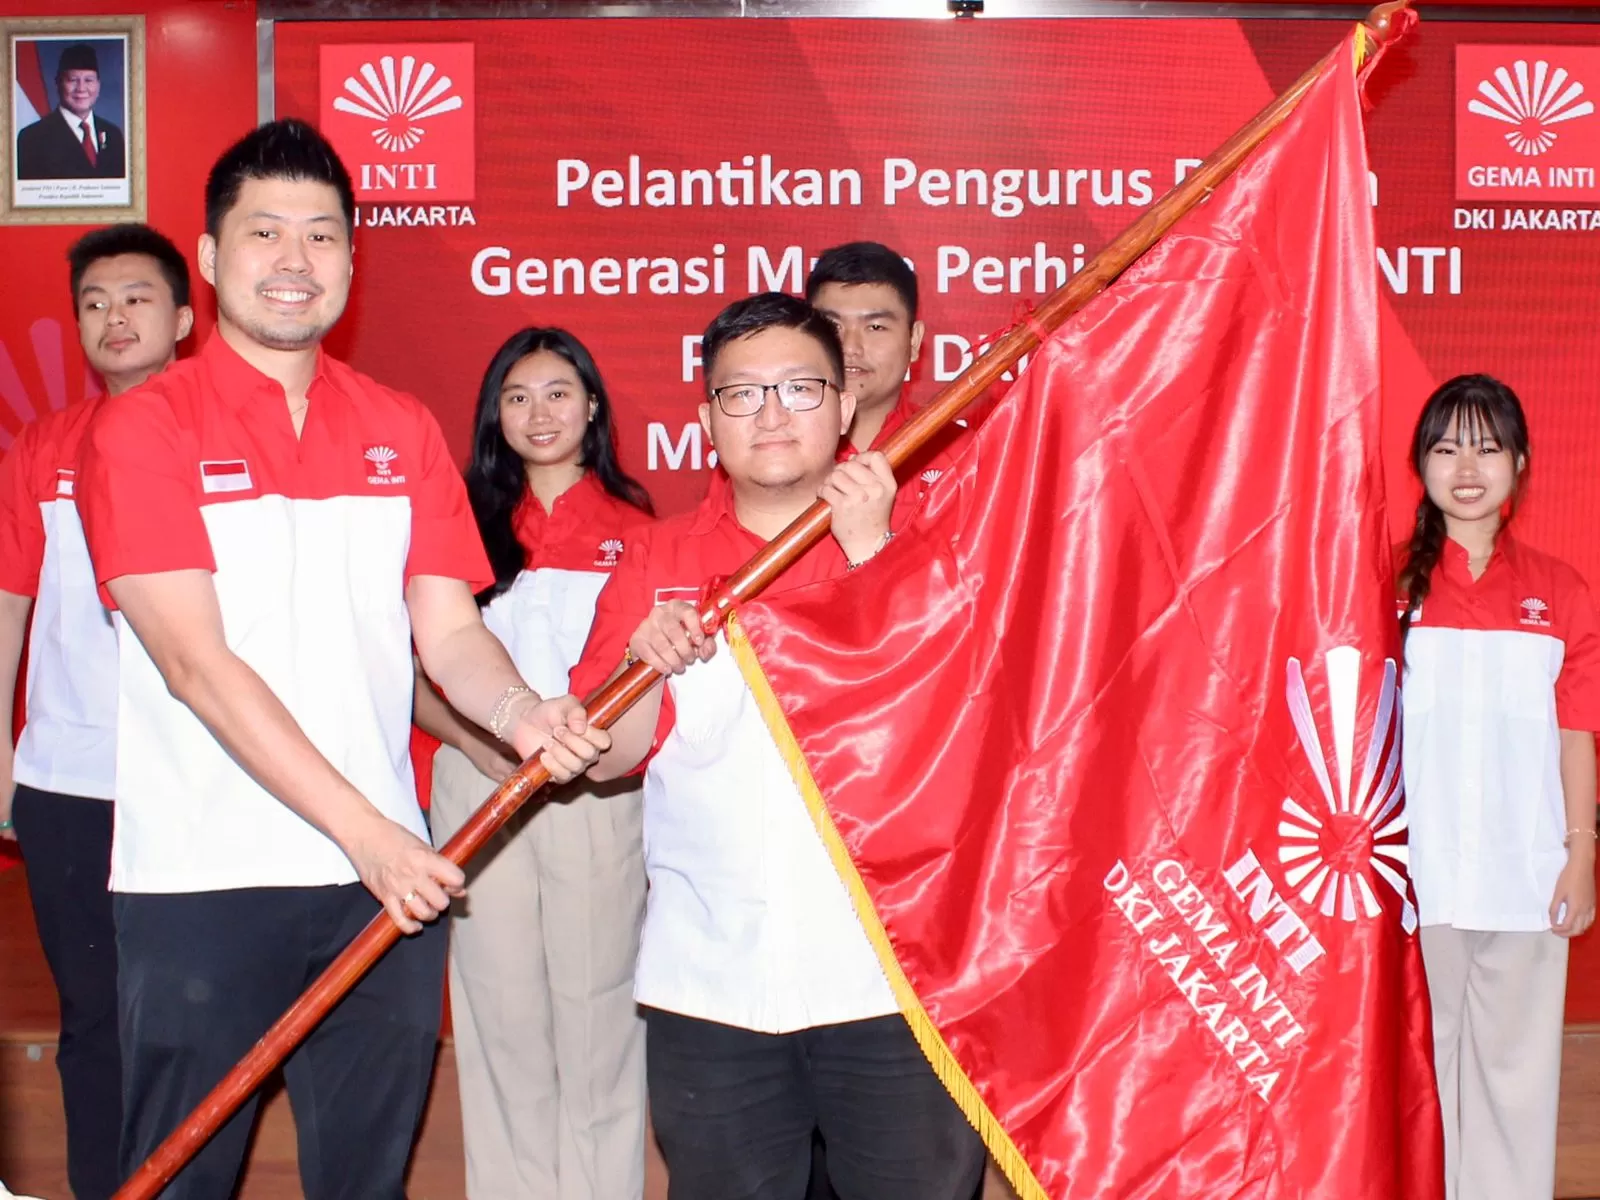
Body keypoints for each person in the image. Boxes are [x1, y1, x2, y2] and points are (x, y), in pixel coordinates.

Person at [74, 118, 609, 1199]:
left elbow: (448, 629)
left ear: (351, 266)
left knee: (366, 1181)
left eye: (322, 236)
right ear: (214, 259)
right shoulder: (145, 430)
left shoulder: (400, 427)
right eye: (264, 232)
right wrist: (367, 831)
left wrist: (520, 713)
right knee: (184, 1177)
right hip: (205, 883)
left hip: (383, 889)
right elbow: (195, 663)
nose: (294, 260)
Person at [567, 292, 986, 1200]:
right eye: (742, 394)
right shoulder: (656, 559)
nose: (771, 414)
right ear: (707, 420)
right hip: (712, 987)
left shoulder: (923, 542)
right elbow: (603, 759)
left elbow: (962, 731)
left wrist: (873, 559)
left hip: (899, 987)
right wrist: (643, 663)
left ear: (845, 405)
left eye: (800, 389)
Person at [414, 327, 653, 1199]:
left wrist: (575, 760)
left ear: (592, 405)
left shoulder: (638, 534)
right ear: (493, 417)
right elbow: (419, 670)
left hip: (596, 794)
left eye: (558, 393)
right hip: (479, 785)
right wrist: (488, 749)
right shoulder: (458, 531)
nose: (539, 412)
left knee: (599, 1018)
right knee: (500, 1016)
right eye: (517, 397)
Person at [0, 223, 193, 1200]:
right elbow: (10, 601)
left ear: (186, 318)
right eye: (94, 303)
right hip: (71, 783)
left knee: (194, 1020)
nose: (115, 318)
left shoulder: (220, 443)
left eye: (138, 298)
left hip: (205, 782)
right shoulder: (44, 447)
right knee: (92, 1021)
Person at [1398, 373, 1600, 1200]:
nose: (1467, 466)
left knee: (1516, 1085)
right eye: (1448, 447)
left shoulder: (1562, 590)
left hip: (1527, 879)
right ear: (1423, 466)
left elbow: (1576, 731)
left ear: (1519, 462)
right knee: (1422, 1083)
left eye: (1487, 446)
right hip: (1418, 882)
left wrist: (1579, 855)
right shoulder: (1389, 589)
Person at [16, 43, 127, 180]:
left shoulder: (113, 134)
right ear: (58, 83)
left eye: (88, 80)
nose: (81, 88)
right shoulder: (32, 138)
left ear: (98, 84)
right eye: (72, 80)